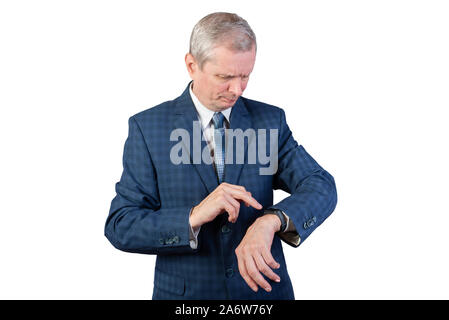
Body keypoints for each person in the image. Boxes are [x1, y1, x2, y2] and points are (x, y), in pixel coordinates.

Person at [105, 12, 337, 300]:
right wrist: (192, 217)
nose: (237, 90)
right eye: (225, 77)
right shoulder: (147, 127)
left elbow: (320, 185)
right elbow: (121, 225)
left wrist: (271, 220)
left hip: (263, 296)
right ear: (192, 65)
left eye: (245, 76)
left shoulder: (270, 121)